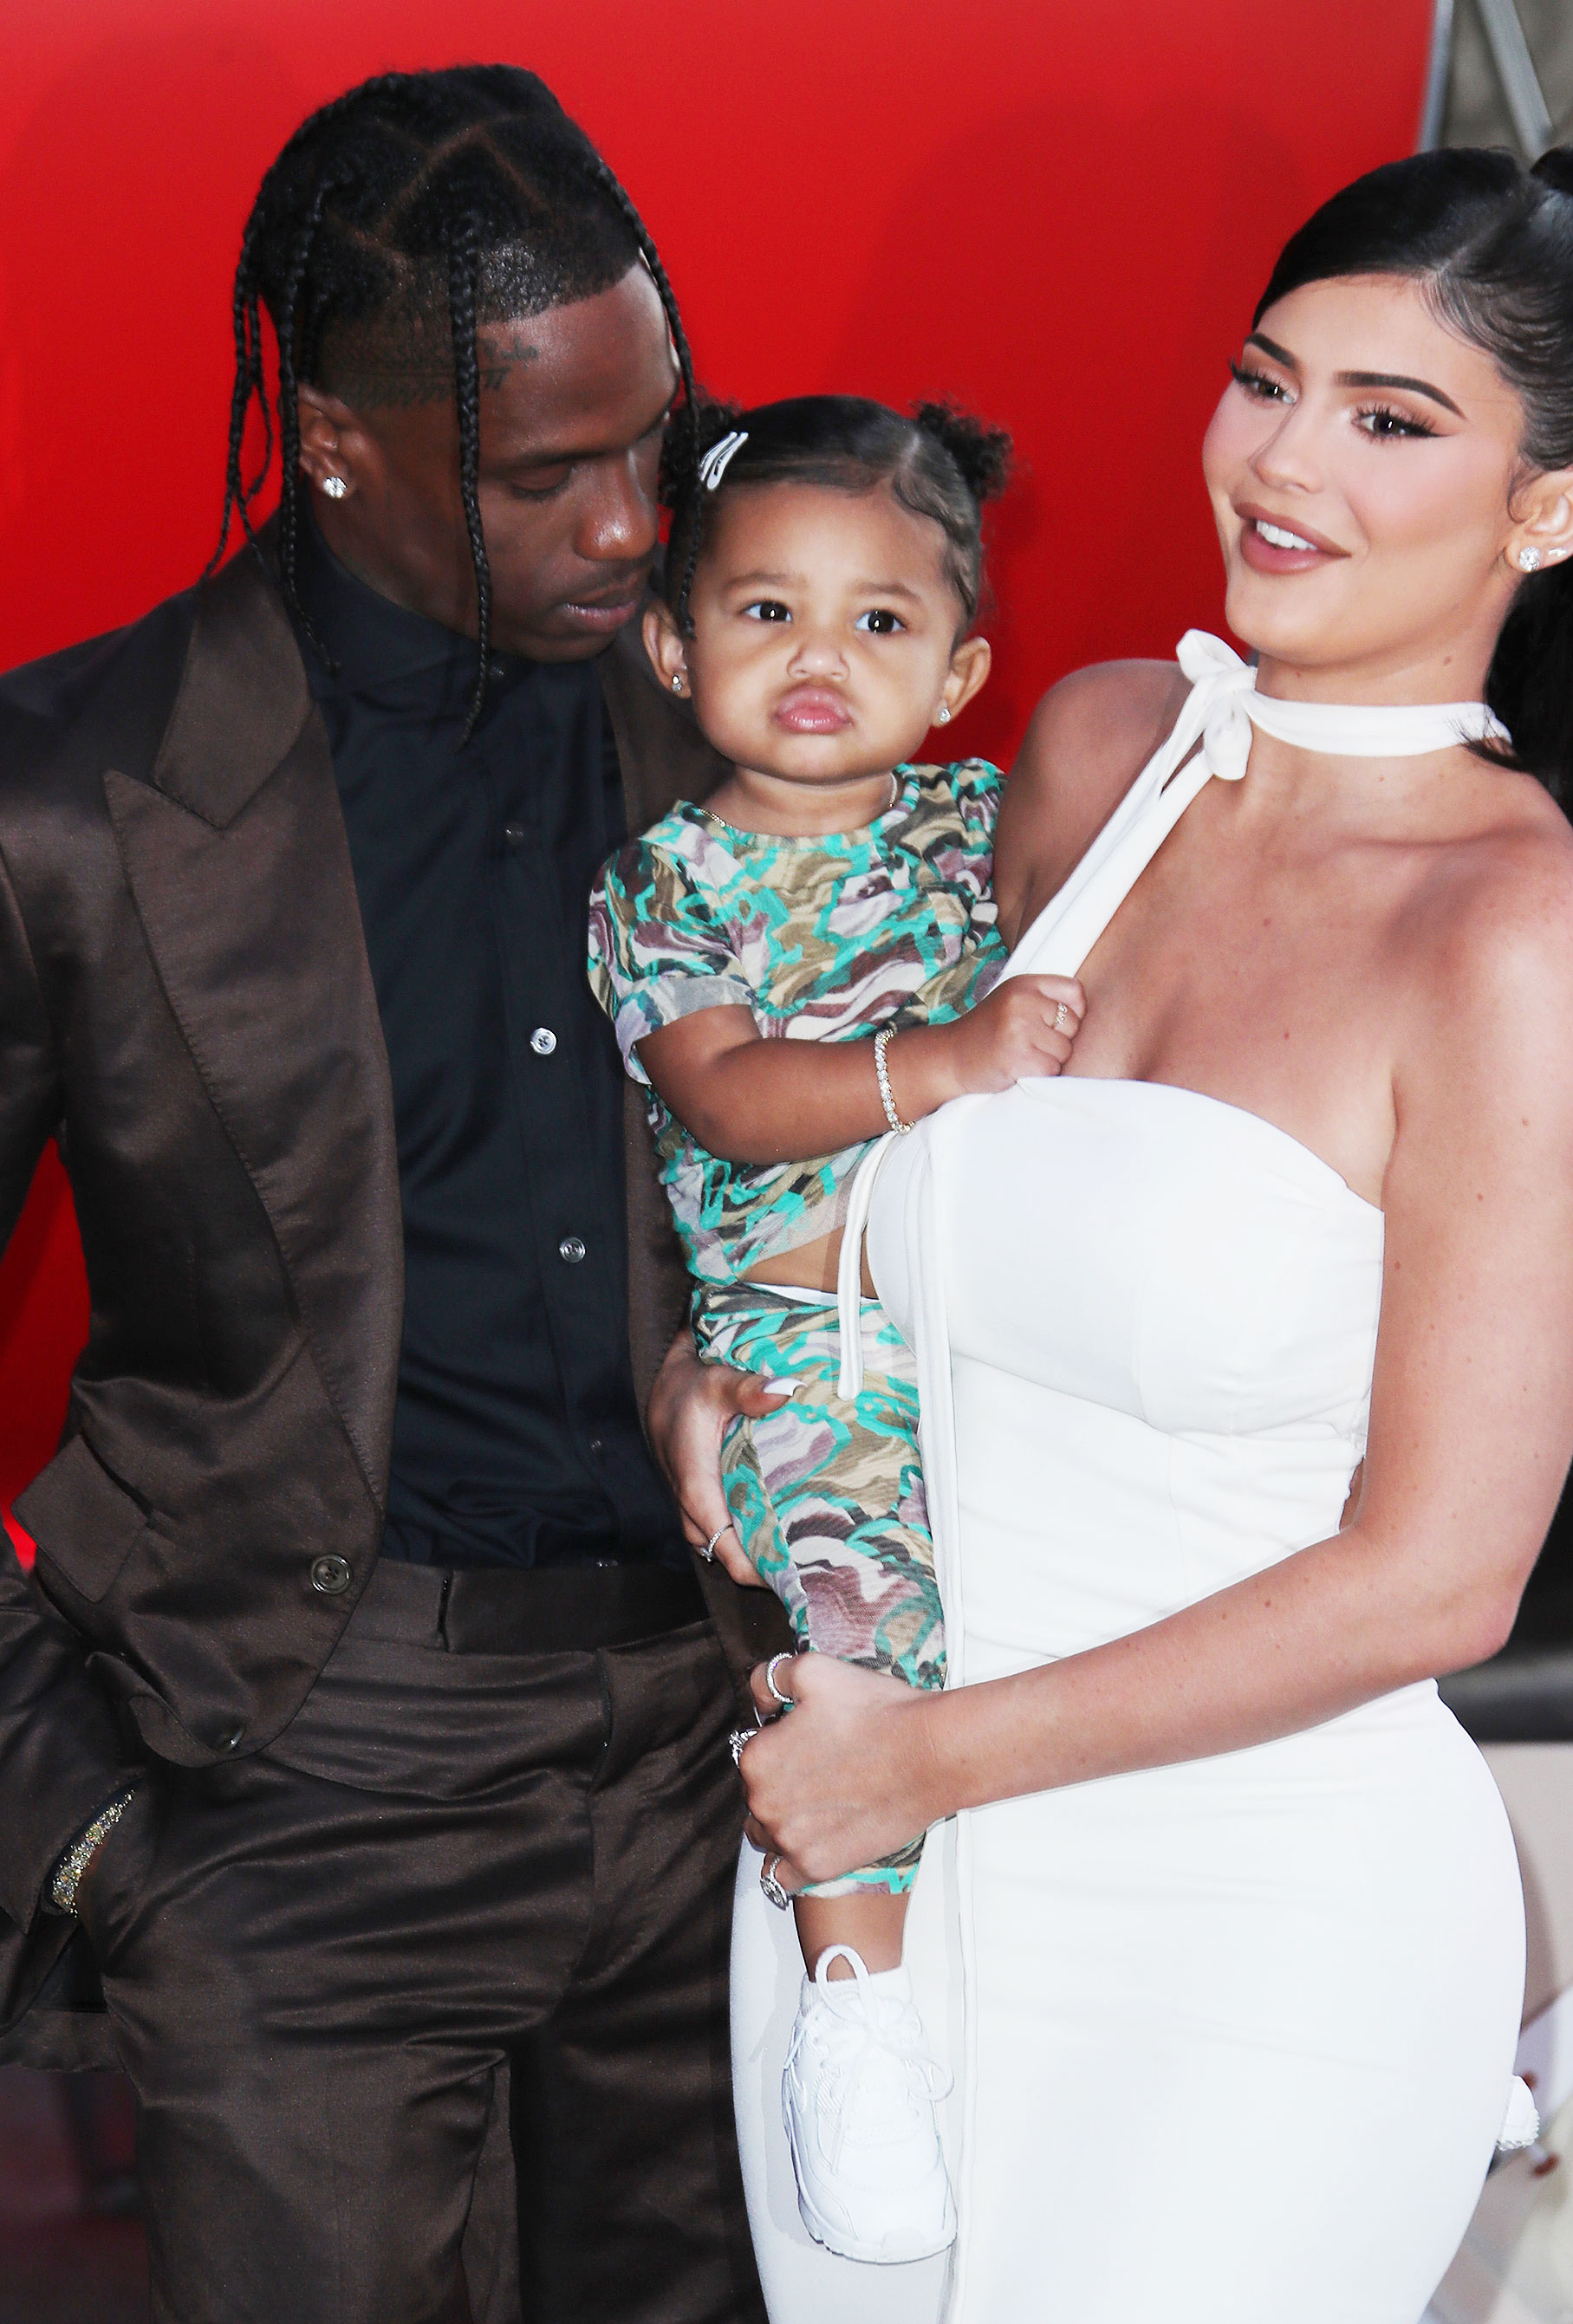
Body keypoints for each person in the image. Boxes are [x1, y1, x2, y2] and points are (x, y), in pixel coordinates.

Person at [722, 146, 1573, 2320]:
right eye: (1265, 379)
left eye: (1392, 422)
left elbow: (1441, 1573)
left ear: (1554, 511)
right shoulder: (1094, 755)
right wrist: (716, 1369)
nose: (1284, 462)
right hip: (877, 1897)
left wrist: (916, 1760)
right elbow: (846, 1167)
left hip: (1245, 1926)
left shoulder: (1518, 941)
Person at [0, 64, 790, 2324]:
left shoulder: (750, 729)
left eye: (656, 438)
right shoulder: (65, 800)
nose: (636, 522)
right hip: (301, 1784)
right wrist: (87, 1830)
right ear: (336, 442)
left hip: (721, 1786)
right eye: (549, 471)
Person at [592, 393, 1082, 2266]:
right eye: (766, 612)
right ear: (673, 644)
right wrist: (939, 1062)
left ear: (961, 668)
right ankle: (855, 2009)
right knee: (858, 1633)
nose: (821, 658)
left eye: (881, 622)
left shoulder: (990, 831)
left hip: (1012, 1341)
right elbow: (727, 1097)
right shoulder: (667, 891)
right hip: (816, 1349)